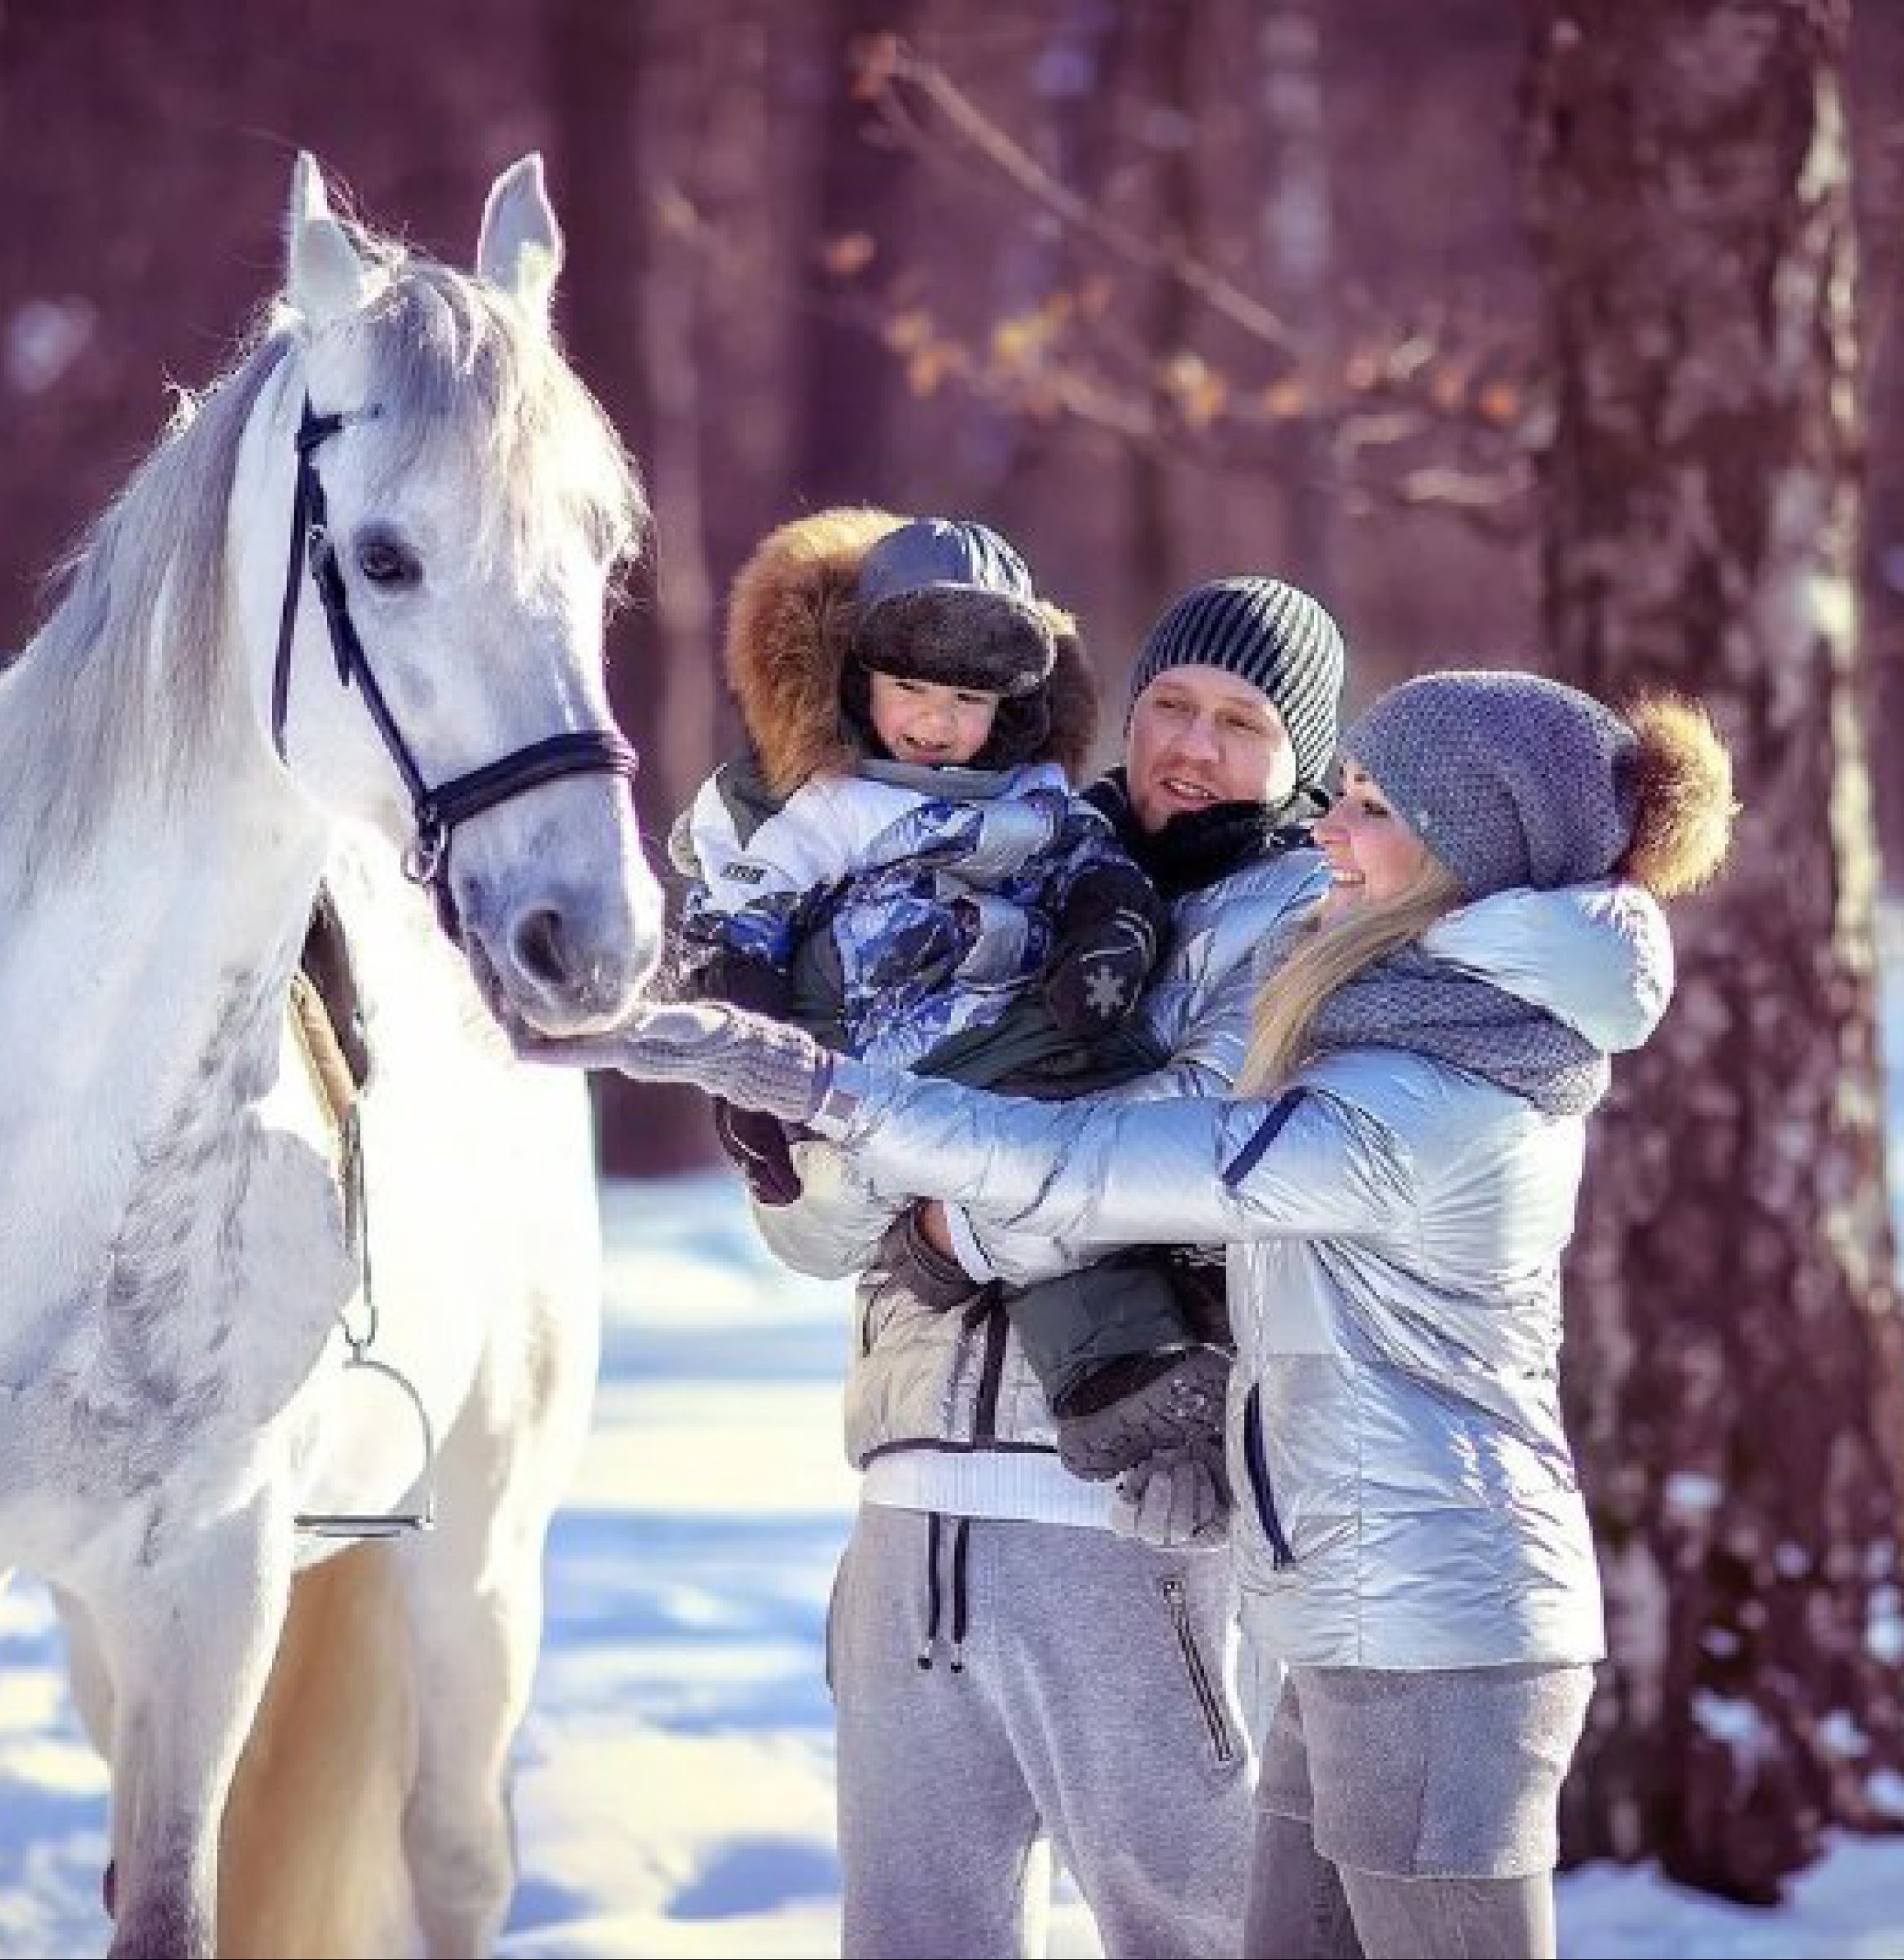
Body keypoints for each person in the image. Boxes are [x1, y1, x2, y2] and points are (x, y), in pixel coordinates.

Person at [541, 668, 1736, 1960]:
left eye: (1374, 807)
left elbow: (1098, 1168)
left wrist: (822, 1084)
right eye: (1341, 795)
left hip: (1437, 1635)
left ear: (1468, 852)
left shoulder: (1420, 1098)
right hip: (1351, 1611)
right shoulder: (1392, 1035)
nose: (1332, 827)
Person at [675, 510, 1266, 1480]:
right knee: (1031, 1169)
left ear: (1016, 705)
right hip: (899, 1045)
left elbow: (1090, 865)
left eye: (967, 698)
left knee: (1061, 1168)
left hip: (1036, 1031)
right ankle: (1115, 1367)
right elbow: (739, 920)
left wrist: (1109, 932)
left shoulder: (1034, 797)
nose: (935, 722)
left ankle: (1116, 1377)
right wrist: (746, 1061)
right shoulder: (817, 801)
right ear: (855, 679)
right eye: (909, 688)